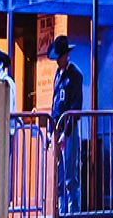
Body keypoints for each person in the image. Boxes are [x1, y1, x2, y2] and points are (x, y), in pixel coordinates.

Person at [47, 35, 85, 215]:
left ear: (66, 55)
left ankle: (73, 212)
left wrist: (65, 132)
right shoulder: (58, 75)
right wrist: (51, 131)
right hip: (58, 129)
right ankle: (62, 211)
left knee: (70, 177)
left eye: (60, 57)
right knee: (60, 177)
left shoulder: (75, 74)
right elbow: (55, 103)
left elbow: (75, 106)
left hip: (68, 130)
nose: (58, 61)